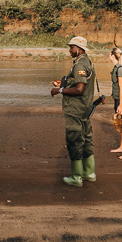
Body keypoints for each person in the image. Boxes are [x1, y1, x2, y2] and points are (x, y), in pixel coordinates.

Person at [51, 36, 97, 187]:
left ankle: (76, 177)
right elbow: (78, 83)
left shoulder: (79, 65)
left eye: (72, 47)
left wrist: (60, 90)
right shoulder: (88, 62)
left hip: (76, 110)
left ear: (79, 49)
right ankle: (89, 173)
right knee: (87, 141)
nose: (69, 50)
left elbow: (79, 89)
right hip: (85, 109)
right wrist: (63, 83)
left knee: (74, 141)